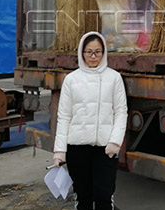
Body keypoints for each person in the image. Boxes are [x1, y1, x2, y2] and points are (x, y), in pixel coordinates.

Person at [53, 31, 127, 210]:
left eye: (97, 52)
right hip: (77, 149)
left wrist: (115, 142)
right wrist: (59, 152)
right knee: (83, 197)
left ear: (104, 53)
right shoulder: (71, 80)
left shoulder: (114, 78)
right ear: (81, 53)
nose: (93, 57)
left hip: (105, 149)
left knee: (104, 196)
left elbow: (121, 112)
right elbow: (63, 117)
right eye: (88, 52)